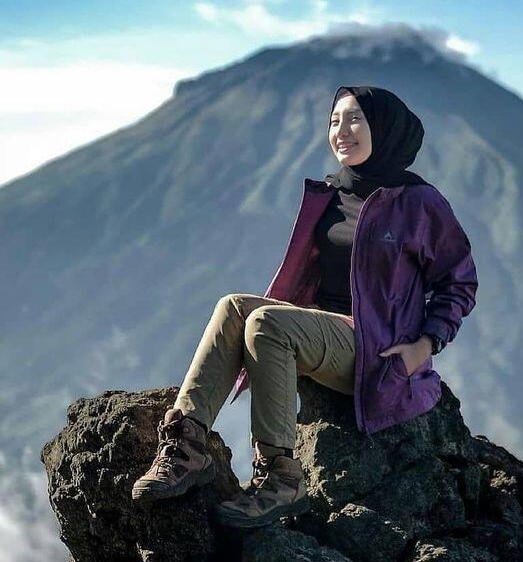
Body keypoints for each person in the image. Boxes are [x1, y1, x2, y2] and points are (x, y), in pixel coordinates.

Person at [131, 85, 478, 529]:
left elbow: (459, 280)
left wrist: (426, 345)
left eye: (355, 119)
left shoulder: (417, 203)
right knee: (234, 306)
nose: (341, 131)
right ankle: (187, 443)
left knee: (268, 323)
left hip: (376, 347)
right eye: (334, 120)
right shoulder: (329, 193)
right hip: (323, 328)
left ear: (384, 129)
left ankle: (281, 476)